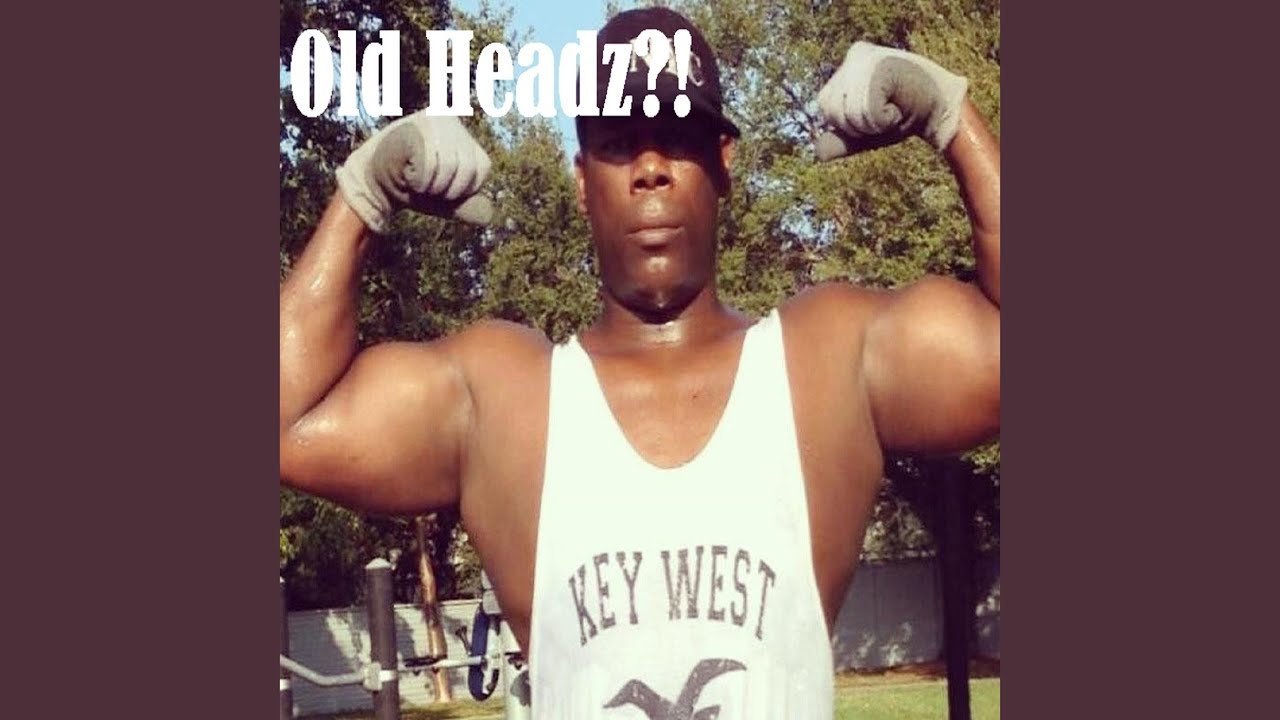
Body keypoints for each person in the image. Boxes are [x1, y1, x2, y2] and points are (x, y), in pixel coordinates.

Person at [279, 7, 998, 718]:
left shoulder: (826, 364)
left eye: (677, 139)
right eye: (621, 144)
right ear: (581, 179)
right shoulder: (504, 399)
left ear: (723, 161)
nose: (650, 169)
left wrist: (949, 114)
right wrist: (362, 194)